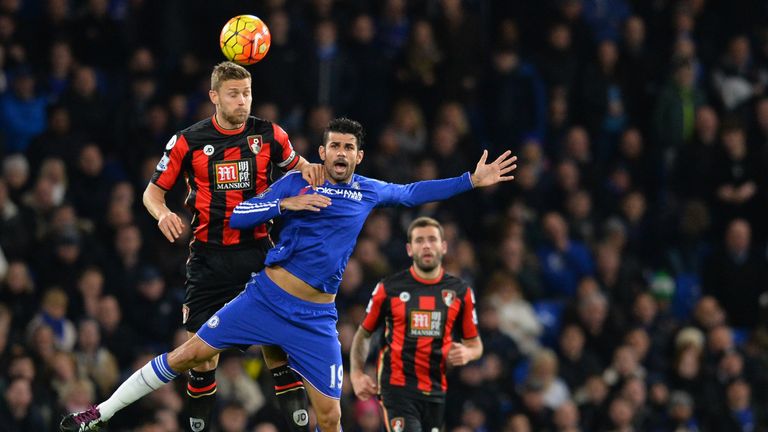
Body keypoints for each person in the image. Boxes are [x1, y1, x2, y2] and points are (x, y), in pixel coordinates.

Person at [60, 117, 516, 432]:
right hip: (264, 299)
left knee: (331, 417)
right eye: (333, 145)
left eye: (348, 147)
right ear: (322, 151)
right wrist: (286, 204)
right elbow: (240, 214)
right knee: (188, 355)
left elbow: (415, 192)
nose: (340, 153)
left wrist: (469, 181)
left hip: (316, 320)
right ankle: (98, 414)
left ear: (359, 155)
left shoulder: (368, 191)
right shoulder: (298, 182)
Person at [141, 61, 322, 432]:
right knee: (202, 360)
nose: (243, 101)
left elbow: (304, 170)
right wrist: (162, 215)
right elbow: (152, 193)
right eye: (234, 94)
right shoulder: (187, 141)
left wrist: (324, 174)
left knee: (278, 350)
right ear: (214, 96)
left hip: (258, 255)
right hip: (208, 259)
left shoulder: (270, 135)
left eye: (247, 93)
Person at [350, 216, 483, 432]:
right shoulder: (389, 289)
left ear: (444, 246)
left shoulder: (461, 292)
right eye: (420, 241)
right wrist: (356, 374)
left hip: (435, 390)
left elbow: (475, 344)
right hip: (397, 387)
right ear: (409, 249)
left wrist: (467, 354)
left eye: (432, 239)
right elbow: (363, 334)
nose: (427, 245)